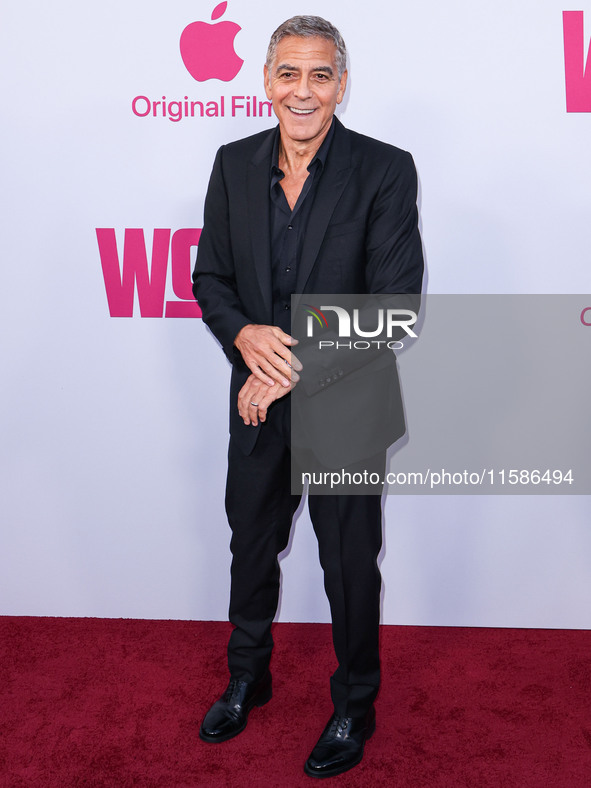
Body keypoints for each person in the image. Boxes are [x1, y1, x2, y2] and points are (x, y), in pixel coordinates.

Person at [192, 15, 423, 779]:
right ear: (265, 81)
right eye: (289, 73)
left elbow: (396, 306)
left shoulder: (384, 170)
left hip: (345, 406)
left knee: (349, 562)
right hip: (257, 404)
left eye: (319, 75)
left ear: (341, 84)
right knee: (249, 548)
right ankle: (246, 676)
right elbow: (210, 281)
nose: (303, 90)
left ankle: (355, 701)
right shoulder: (230, 165)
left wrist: (280, 362)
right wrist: (242, 336)